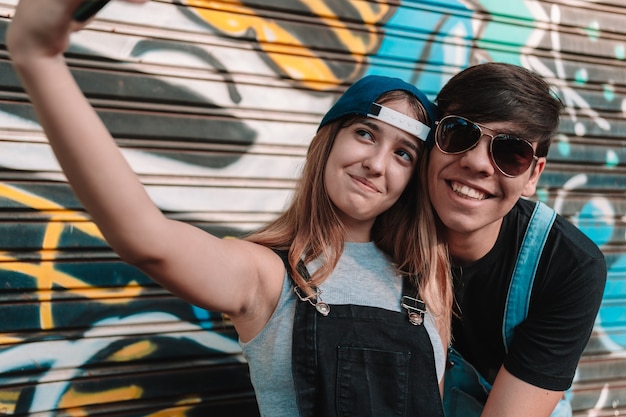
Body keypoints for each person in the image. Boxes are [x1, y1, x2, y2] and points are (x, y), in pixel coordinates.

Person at [6, 1, 453, 416]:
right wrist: (38, 58)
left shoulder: (426, 281)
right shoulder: (267, 274)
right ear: (327, 141)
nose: (376, 165)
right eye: (365, 134)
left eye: (404, 154)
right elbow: (145, 238)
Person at [429, 62, 607, 417]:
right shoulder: (379, 226)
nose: (478, 163)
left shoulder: (568, 266)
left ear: (532, 175)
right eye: (458, 132)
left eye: (511, 152)